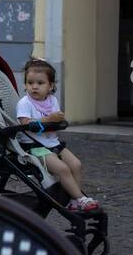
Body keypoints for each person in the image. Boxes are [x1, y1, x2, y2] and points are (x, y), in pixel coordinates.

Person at [17, 57, 99, 212]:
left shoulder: (52, 100)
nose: (34, 87)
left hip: (52, 142)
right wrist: (49, 119)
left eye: (40, 83)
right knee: (63, 169)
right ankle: (81, 198)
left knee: (76, 165)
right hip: (34, 146)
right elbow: (26, 124)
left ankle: (74, 201)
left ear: (51, 86)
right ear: (25, 84)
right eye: (30, 83)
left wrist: (57, 120)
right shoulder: (24, 103)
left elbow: (55, 121)